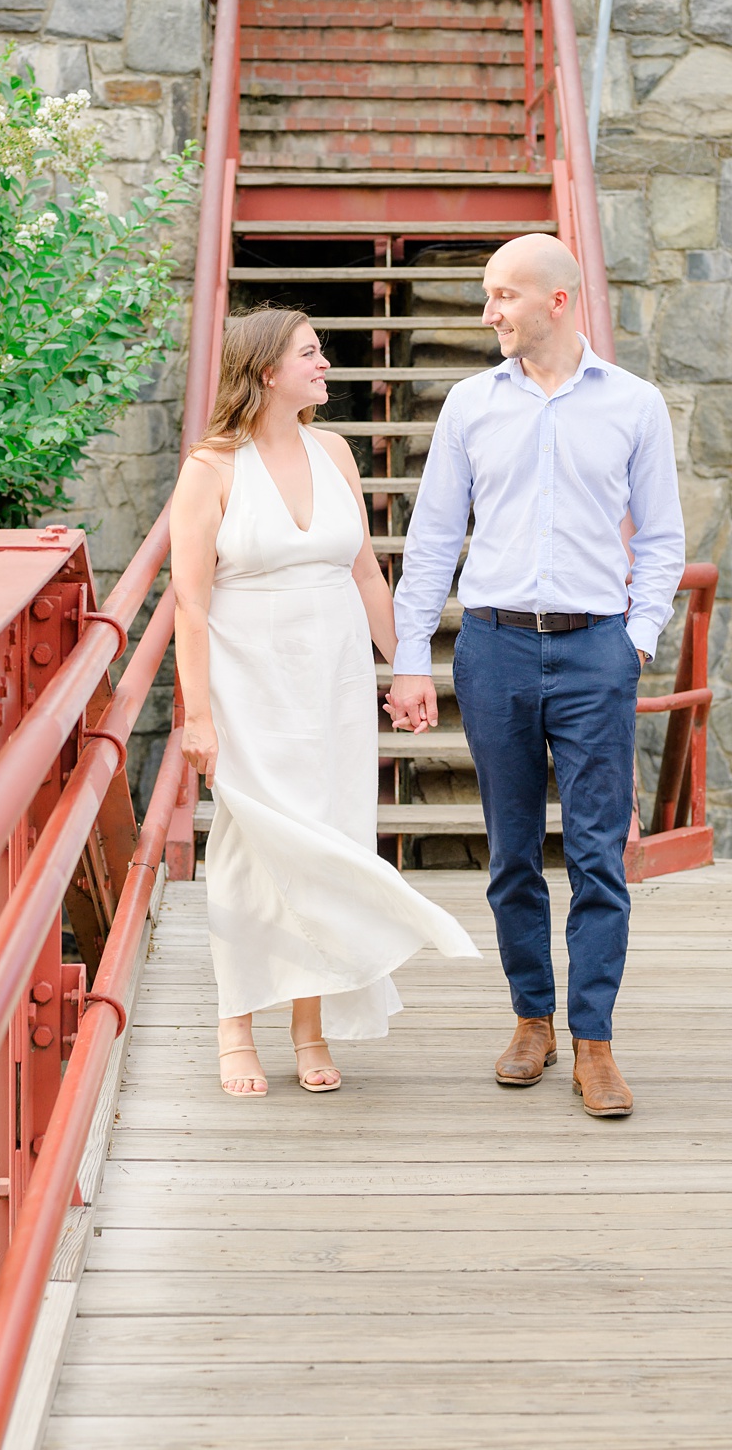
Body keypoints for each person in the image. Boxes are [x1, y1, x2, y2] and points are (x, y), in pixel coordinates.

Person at [386, 234, 684, 1119]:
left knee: (599, 856)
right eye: (486, 296)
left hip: (597, 650)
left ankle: (594, 1040)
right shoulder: (470, 406)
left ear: (558, 300)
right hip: (495, 648)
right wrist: (410, 659)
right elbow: (435, 538)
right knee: (512, 852)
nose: (489, 313)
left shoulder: (635, 406)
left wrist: (637, 635)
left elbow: (661, 539)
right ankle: (531, 1019)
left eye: (503, 295)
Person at [169, 308, 478, 1098]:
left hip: (333, 685)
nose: (326, 366)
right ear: (267, 370)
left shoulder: (334, 451)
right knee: (251, 851)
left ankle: (308, 1026)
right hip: (249, 687)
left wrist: (407, 668)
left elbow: (367, 575)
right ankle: (235, 1024)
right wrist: (196, 714)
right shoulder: (212, 468)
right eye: (311, 354)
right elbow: (190, 605)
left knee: (329, 838)